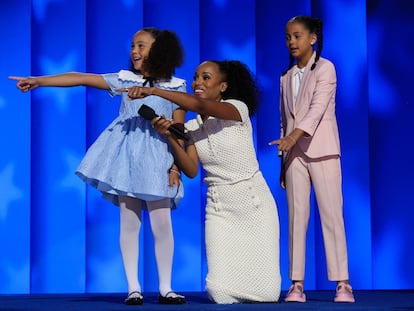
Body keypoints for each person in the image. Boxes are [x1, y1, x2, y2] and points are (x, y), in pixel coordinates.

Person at [9, 27, 187, 305]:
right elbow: (81, 77)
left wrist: (175, 166)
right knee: (129, 223)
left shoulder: (176, 86)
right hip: (125, 157)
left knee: (162, 224)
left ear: (160, 50)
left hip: (158, 157)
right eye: (132, 46)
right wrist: (40, 81)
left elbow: (178, 129)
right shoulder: (124, 80)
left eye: (141, 46)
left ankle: (166, 288)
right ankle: (134, 288)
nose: (134, 51)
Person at [122, 60, 282, 304]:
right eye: (196, 77)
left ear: (223, 86)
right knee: (219, 292)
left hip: (253, 205)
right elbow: (191, 169)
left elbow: (197, 104)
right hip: (219, 210)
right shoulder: (193, 127)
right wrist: (170, 137)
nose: (198, 82)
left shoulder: (236, 109)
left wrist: (153, 90)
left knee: (267, 294)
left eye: (206, 78)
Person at [268, 16, 355, 303]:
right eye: (288, 37)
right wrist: (284, 159)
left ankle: (342, 283)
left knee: (331, 215)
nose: (291, 42)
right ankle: (296, 284)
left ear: (313, 38)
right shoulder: (284, 77)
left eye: (297, 36)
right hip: (294, 157)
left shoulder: (326, 68)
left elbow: (317, 110)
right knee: (296, 218)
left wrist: (293, 138)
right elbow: (284, 121)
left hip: (323, 150)